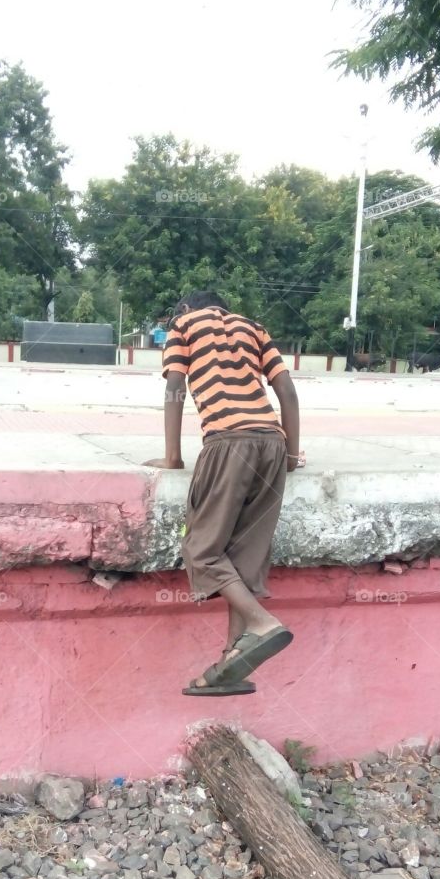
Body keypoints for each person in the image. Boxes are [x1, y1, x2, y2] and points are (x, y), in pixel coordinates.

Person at [143, 290, 301, 696]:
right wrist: (292, 455)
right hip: (272, 444)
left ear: (184, 309)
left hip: (228, 442)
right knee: (243, 556)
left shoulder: (184, 325)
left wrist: (173, 457)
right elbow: (287, 391)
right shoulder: (254, 327)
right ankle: (233, 654)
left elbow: (176, 386)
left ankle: (262, 622)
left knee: (200, 547)